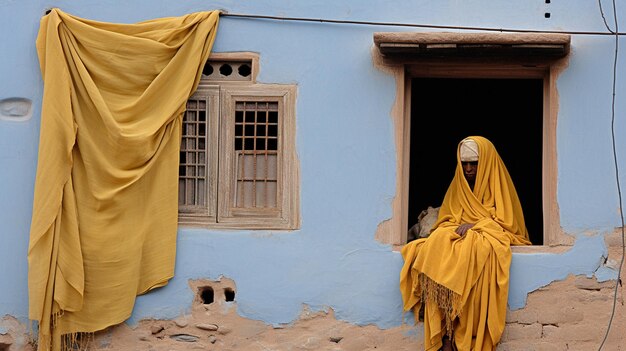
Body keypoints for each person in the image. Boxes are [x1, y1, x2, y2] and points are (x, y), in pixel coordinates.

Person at [399, 136, 532, 351]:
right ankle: (447, 333)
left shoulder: (501, 188)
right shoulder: (457, 187)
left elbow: (510, 226)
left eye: (474, 163)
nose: (468, 169)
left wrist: (478, 225)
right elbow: (448, 218)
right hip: (460, 238)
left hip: (480, 237)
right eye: (465, 164)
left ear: (486, 163)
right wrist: (453, 229)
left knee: (477, 248)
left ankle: (458, 335)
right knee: (438, 241)